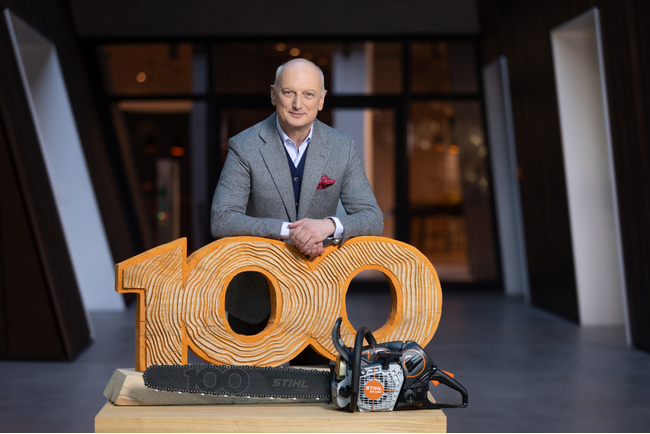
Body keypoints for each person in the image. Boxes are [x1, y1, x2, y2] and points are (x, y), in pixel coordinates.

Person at [210, 59, 383, 351]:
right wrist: (290, 231)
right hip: (255, 299)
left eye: (308, 94)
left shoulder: (342, 147)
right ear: (273, 94)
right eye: (289, 92)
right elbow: (222, 220)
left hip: (317, 295)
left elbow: (373, 218)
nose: (297, 104)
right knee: (253, 382)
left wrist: (327, 226)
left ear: (321, 100)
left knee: (317, 382)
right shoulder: (245, 146)